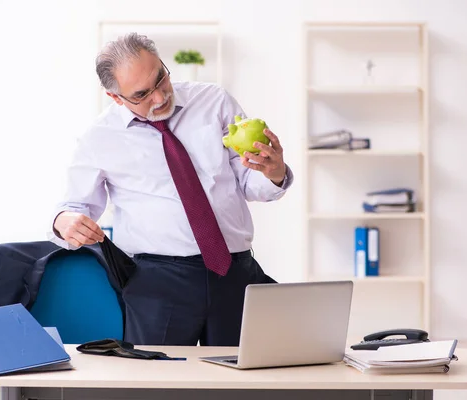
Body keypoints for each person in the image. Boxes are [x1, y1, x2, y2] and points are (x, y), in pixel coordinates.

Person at [49, 32, 294, 346]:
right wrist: (64, 222)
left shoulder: (214, 101)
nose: (159, 97)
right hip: (157, 283)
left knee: (242, 381)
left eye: (160, 79)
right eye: (141, 94)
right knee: (156, 382)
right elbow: (74, 207)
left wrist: (274, 173)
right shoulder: (99, 137)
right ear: (115, 97)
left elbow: (248, 181)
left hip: (234, 272)